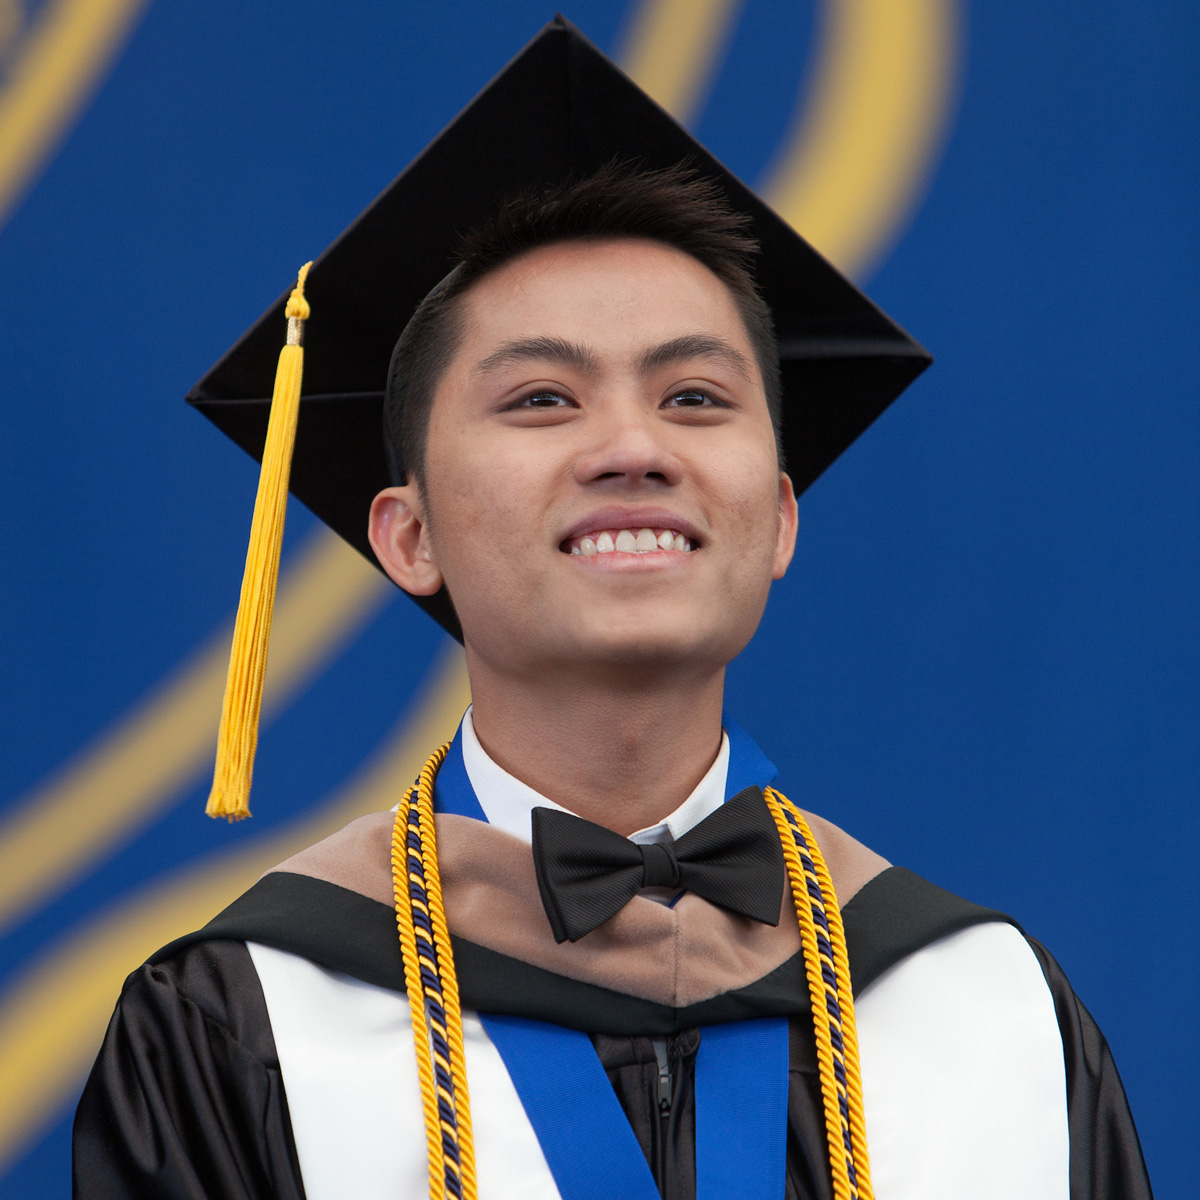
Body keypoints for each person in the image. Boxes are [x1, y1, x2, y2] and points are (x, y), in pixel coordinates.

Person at [73, 19, 1152, 1200]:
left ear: (780, 518)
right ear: (409, 537)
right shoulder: (249, 1021)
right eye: (541, 397)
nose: (633, 447)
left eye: (695, 396)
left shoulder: (989, 1015)